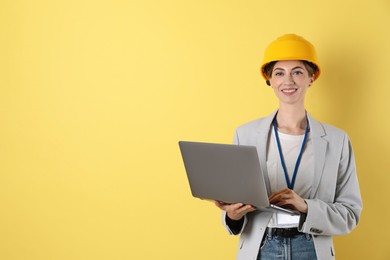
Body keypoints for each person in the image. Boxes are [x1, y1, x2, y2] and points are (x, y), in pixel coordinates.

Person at [214, 34, 362, 260]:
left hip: (311, 248)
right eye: (279, 73)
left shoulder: (337, 140)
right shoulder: (244, 134)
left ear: (311, 77)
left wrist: (306, 207)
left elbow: (350, 214)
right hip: (261, 248)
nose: (288, 80)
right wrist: (233, 215)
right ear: (269, 80)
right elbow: (237, 208)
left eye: (298, 71)